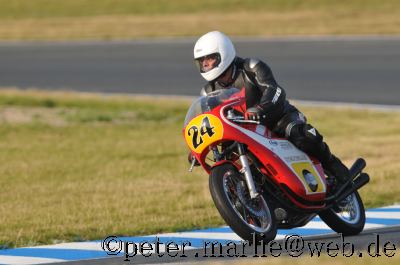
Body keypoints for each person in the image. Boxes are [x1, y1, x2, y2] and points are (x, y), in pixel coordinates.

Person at [193, 31, 351, 184]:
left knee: (302, 134)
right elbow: (208, 121)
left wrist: (260, 109)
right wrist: (199, 147)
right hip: (246, 133)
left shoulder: (251, 67)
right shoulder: (208, 92)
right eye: (202, 60)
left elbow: (275, 90)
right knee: (228, 158)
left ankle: (333, 166)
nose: (205, 63)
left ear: (224, 53)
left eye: (210, 58)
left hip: (278, 118)